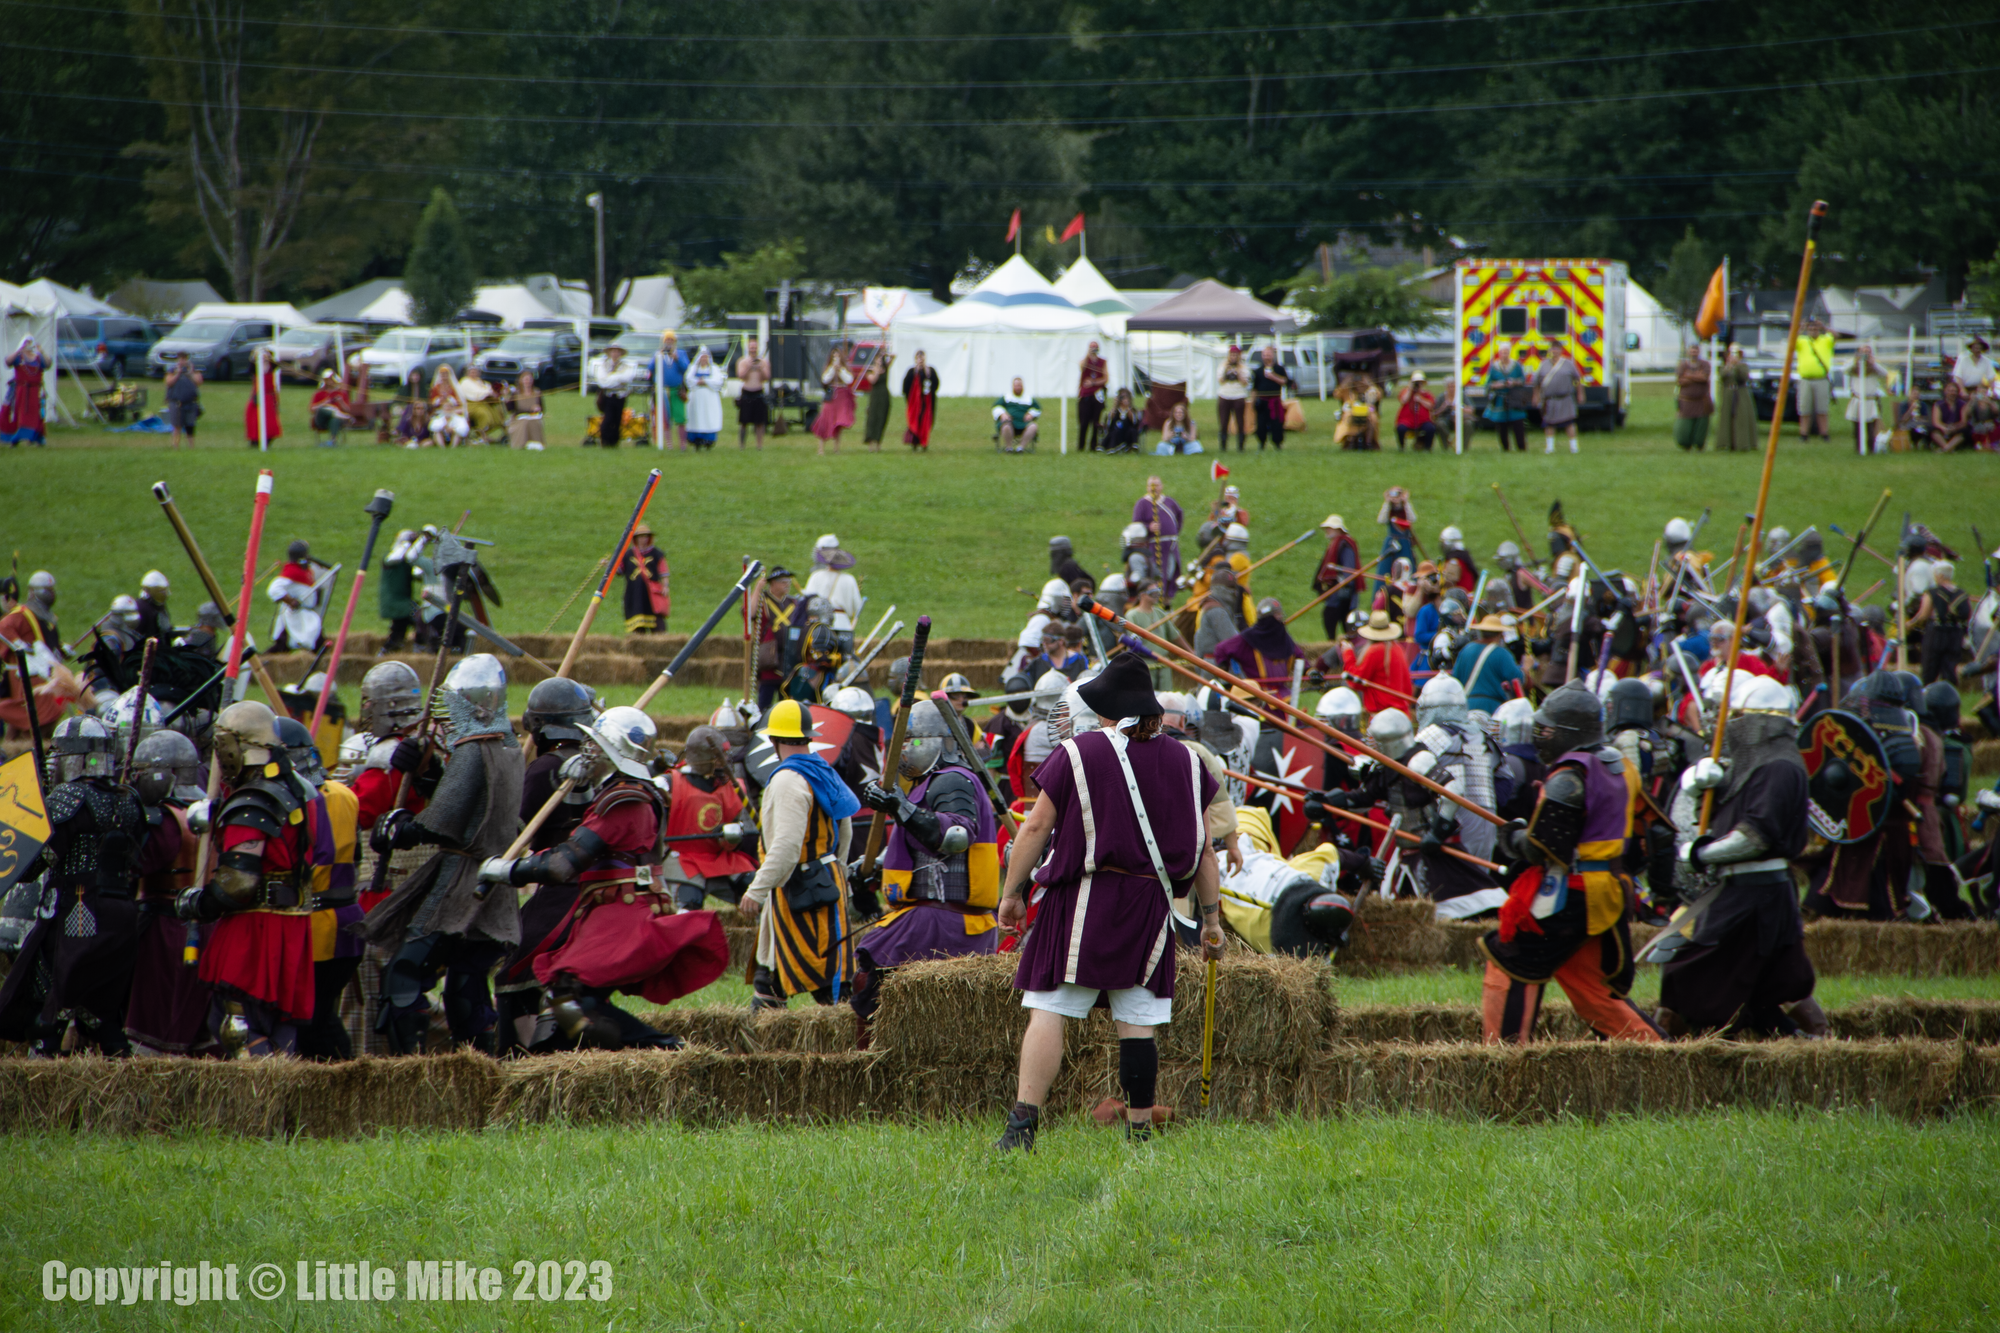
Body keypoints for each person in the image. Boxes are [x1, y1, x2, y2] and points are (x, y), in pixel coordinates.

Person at [995, 652, 1225, 1150]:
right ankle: (1139, 1133)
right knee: (1138, 1022)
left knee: (1049, 1008)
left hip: (1081, 899)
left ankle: (1021, 1129)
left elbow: (1034, 828)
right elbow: (1205, 849)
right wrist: (1211, 920)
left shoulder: (1079, 752)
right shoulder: (1188, 761)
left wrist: (1012, 894)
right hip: (1150, 905)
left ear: (1107, 708)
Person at [480, 708, 726, 1050]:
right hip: (614, 906)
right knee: (568, 1000)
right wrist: (579, 788)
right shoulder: (626, 792)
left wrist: (505, 870)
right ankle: (576, 1050)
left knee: (569, 995)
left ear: (614, 752)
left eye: (596, 745)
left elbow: (563, 864)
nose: (588, 751)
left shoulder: (623, 800)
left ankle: (664, 1047)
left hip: (622, 911)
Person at [1480, 681, 1663, 1043]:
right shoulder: (1621, 765)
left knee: (1509, 959)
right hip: (1609, 891)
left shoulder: (1568, 776)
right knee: (1591, 987)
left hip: (1574, 894)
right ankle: (1657, 1053)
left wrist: (1514, 837)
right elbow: (1649, 829)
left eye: (1548, 729)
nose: (1541, 735)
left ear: (1571, 731)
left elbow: (1544, 848)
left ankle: (1503, 1058)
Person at [361, 654, 523, 1053]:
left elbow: (441, 822)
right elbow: (473, 806)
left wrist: (399, 828)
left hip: (461, 880)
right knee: (466, 986)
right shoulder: (509, 746)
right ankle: (479, 1069)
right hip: (494, 880)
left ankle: (415, 1072)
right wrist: (430, 772)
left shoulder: (472, 750)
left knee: (403, 976)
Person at [1653, 675, 1823, 1037]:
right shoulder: (1754, 765)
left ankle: (1716, 1041)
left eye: (1739, 716)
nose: (1732, 725)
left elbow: (1755, 836)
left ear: (1760, 720)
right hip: (1743, 888)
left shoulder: (1779, 768)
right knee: (1760, 986)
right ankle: (1794, 1041)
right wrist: (1700, 787)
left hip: (1757, 893)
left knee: (1695, 970)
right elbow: (1714, 817)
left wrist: (1701, 854)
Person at [170, 703, 317, 1056]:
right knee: (280, 1032)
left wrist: (199, 903)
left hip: (255, 932)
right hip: (293, 925)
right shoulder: (303, 792)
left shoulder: (252, 803)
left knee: (237, 1028)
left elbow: (237, 884)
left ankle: (263, 1091)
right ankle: (282, 1091)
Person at [850, 700, 1001, 1042]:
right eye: (901, 741)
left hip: (948, 919)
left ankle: (870, 1057)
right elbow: (914, 845)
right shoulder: (927, 782)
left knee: (868, 972)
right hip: (930, 915)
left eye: (910, 740)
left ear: (939, 741)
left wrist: (900, 806)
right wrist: (876, 866)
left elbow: (955, 836)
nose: (903, 749)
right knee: (868, 974)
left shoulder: (952, 780)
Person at [0, 717, 149, 1055]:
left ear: (73, 758)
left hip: (76, 913)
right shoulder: (128, 799)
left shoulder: (69, 797)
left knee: (47, 1010)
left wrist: (33, 816)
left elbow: (32, 866)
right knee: (104, 1020)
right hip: (122, 916)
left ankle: (42, 1077)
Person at [737, 700, 859, 1009]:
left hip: (802, 891)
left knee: (829, 985)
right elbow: (845, 830)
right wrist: (838, 869)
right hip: (825, 882)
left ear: (773, 740)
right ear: (807, 737)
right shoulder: (823, 770)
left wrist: (756, 890)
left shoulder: (787, 779)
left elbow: (787, 847)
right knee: (773, 975)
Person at [275, 716, 365, 1061]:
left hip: (317, 925)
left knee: (313, 1023)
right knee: (320, 1016)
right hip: (347, 918)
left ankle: (345, 1082)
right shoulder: (345, 794)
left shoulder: (296, 799)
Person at [663, 725, 760, 911]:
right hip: (684, 858)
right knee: (689, 907)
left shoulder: (732, 787)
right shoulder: (670, 784)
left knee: (759, 893)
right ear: (702, 758)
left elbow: (736, 829)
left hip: (720, 856)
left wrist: (730, 839)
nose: (723, 762)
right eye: (718, 757)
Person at [1212, 599, 1308, 700]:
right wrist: (1224, 671)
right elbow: (1221, 648)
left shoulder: (1283, 637)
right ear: (1268, 618)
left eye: (1280, 613)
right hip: (1258, 697)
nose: (1280, 617)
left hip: (1285, 696)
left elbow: (1299, 656)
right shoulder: (1247, 638)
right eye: (1277, 614)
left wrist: (1309, 671)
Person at [1907, 561, 1970, 685]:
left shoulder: (1932, 592)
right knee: (1950, 669)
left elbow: (1923, 615)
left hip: (1936, 633)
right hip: (1955, 634)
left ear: (1940, 575)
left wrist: (1910, 624)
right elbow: (1968, 615)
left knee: (1929, 668)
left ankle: (1927, 691)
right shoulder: (1962, 594)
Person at [1452, 614, 1526, 718]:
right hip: (1491, 707)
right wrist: (1526, 668)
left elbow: (1455, 679)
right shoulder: (1502, 653)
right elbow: (1517, 679)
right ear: (1500, 634)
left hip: (1467, 706)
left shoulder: (1466, 649)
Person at [1345, 609, 1411, 715]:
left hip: (1382, 714)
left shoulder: (1375, 651)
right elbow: (1407, 686)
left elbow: (1356, 681)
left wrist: (1348, 654)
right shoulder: (1398, 648)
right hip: (1402, 712)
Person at [803, 535, 861, 650]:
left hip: (820, 625)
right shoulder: (849, 579)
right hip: (843, 624)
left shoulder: (816, 576)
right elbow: (857, 607)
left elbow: (807, 603)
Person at [377, 529, 430, 651]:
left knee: (398, 633)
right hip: (398, 603)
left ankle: (386, 652)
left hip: (403, 602)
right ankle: (420, 646)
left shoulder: (407, 562)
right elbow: (395, 558)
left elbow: (418, 574)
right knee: (422, 618)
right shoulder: (390, 558)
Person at [268, 539, 325, 653]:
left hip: (304, 614)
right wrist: (290, 601)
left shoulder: (302, 569)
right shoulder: (292, 571)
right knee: (283, 646)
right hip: (296, 614)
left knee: (285, 646)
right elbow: (274, 589)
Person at [1311, 514, 1361, 640]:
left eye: (1330, 528)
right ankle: (1332, 643)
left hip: (1344, 594)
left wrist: (1343, 584)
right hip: (1337, 593)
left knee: (1339, 620)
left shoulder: (1345, 545)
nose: (1327, 530)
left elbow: (1348, 571)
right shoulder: (1335, 544)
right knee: (1329, 618)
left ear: (1338, 529)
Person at [1132, 475, 1184, 593]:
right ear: (1147, 487)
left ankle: (1167, 599)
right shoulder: (1142, 504)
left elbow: (1179, 514)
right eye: (1151, 485)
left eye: (1156, 485)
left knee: (1171, 572)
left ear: (1161, 486)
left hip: (1171, 544)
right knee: (1159, 574)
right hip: (1154, 545)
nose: (1154, 488)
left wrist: (1175, 530)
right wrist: (1148, 527)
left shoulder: (1169, 501)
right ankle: (1157, 596)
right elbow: (1136, 526)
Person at [1, 336, 50, 446]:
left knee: (35, 416)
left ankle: (35, 438)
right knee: (17, 415)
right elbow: (8, 362)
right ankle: (13, 437)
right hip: (20, 391)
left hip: (34, 392)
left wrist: (42, 351)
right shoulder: (19, 357)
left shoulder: (39, 358)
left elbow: (48, 364)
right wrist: (19, 349)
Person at [622, 523, 670, 634]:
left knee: (658, 625)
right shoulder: (628, 554)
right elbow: (619, 569)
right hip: (634, 594)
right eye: (641, 536)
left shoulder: (656, 554)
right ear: (636, 538)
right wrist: (607, 564)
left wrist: (665, 586)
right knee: (638, 628)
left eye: (646, 536)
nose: (644, 539)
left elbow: (664, 572)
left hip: (651, 594)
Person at [591, 344, 641, 449]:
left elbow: (627, 378)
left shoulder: (625, 366)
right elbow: (602, 382)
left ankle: (614, 442)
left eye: (617, 351)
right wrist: (617, 379)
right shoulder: (604, 365)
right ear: (609, 353)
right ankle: (605, 441)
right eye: (613, 351)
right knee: (608, 419)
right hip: (608, 396)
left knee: (617, 419)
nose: (615, 354)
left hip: (620, 396)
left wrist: (612, 378)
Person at [1794, 317, 1835, 441]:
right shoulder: (1802, 341)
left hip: (1821, 379)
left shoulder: (1826, 340)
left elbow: (1836, 335)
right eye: (1810, 329)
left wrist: (1824, 326)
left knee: (1822, 409)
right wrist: (1800, 328)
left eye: (1815, 329)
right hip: (1805, 379)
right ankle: (1804, 434)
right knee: (1804, 409)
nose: (1813, 331)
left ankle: (1824, 433)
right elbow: (1791, 340)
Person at [812, 342, 857, 455]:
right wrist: (833, 368)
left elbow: (849, 380)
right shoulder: (828, 367)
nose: (835, 357)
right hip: (831, 395)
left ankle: (836, 448)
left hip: (842, 396)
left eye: (837, 355)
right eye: (833, 355)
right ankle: (820, 449)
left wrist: (840, 369)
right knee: (825, 420)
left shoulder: (845, 367)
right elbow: (825, 380)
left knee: (839, 422)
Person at [1535, 345, 1580, 454]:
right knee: (1549, 424)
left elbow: (1577, 379)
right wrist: (1536, 396)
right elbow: (1536, 382)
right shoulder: (1543, 365)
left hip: (1565, 398)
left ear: (1560, 351)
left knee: (1569, 423)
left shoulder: (1568, 364)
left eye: (1556, 349)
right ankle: (1550, 447)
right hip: (1549, 400)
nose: (1554, 351)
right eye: (1552, 349)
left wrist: (1580, 394)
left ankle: (1574, 447)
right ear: (1549, 351)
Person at [1482, 346, 1527, 452]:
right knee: (1501, 424)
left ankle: (1521, 448)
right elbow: (1488, 384)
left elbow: (1523, 381)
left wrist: (1514, 382)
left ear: (1509, 353)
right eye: (1503, 353)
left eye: (1506, 353)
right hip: (1500, 399)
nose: (1505, 355)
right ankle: (1505, 448)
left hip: (1514, 398)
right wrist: (1497, 385)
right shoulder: (1494, 367)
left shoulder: (1516, 365)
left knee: (1518, 423)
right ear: (1499, 353)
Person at [1715, 343, 1759, 452]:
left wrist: (1737, 366)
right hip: (1728, 393)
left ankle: (1743, 443)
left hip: (1741, 393)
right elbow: (1722, 376)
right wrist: (1729, 367)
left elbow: (1743, 377)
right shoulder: (1724, 367)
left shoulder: (1743, 366)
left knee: (1741, 417)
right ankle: (1725, 443)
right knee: (1726, 418)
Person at [1845, 344, 1887, 455]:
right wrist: (1856, 361)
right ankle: (1858, 448)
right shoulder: (1854, 367)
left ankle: (1871, 448)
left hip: (1870, 400)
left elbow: (1885, 373)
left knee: (1870, 427)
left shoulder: (1874, 368)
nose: (1865, 355)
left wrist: (1873, 363)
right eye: (1863, 352)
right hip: (1858, 400)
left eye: (1867, 352)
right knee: (1857, 427)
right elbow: (1844, 369)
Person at [684, 345, 726, 450]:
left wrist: (705, 381)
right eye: (702, 357)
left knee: (709, 417)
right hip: (696, 398)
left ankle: (708, 441)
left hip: (709, 399)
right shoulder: (693, 368)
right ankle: (696, 441)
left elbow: (718, 381)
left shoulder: (714, 368)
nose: (704, 359)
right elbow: (688, 379)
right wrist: (697, 382)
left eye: (705, 357)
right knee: (696, 417)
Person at [655, 331, 691, 449]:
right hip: (663, 390)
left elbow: (686, 368)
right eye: (667, 340)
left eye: (671, 340)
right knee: (665, 418)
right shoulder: (659, 354)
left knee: (680, 417)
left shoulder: (680, 353)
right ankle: (669, 445)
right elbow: (651, 368)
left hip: (677, 390)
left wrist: (677, 359)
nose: (669, 342)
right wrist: (658, 356)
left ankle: (682, 444)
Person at [1674, 343, 1712, 452]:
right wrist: (1696, 376)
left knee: (1701, 425)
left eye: (1695, 351)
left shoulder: (1705, 365)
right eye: (1691, 351)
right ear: (1688, 352)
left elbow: (1704, 378)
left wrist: (1689, 375)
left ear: (1699, 352)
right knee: (1685, 425)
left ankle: (1699, 445)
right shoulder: (1682, 365)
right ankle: (1686, 445)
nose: (1693, 354)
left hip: (1701, 401)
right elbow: (1680, 381)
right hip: (1686, 401)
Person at [1251, 344, 1290, 449]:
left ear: (1273, 356)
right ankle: (1261, 443)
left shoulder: (1279, 369)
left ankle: (1277, 443)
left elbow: (1285, 382)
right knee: (1261, 424)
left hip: (1275, 401)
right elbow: (1254, 388)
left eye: (1268, 355)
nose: (1266, 357)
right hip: (1262, 401)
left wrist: (1273, 377)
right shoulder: (1258, 371)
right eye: (1264, 355)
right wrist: (1253, 402)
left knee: (1276, 423)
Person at [736, 336, 772, 449]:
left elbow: (767, 377)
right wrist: (749, 367)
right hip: (746, 393)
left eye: (755, 347)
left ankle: (759, 445)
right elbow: (741, 376)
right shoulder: (742, 361)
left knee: (760, 422)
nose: (753, 350)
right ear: (748, 348)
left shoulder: (763, 362)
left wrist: (760, 368)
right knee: (744, 422)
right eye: (751, 347)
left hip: (758, 392)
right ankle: (742, 445)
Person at [243, 348, 282, 448]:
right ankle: (255, 441)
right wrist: (255, 357)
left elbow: (277, 365)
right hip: (258, 396)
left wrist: (269, 358)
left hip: (269, 396)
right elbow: (250, 369)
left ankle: (267, 440)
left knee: (270, 422)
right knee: (254, 420)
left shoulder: (271, 367)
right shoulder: (256, 367)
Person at [901, 350, 940, 451]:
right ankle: (914, 442)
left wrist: (928, 374)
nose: (920, 360)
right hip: (915, 403)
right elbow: (906, 387)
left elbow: (936, 384)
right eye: (918, 358)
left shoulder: (930, 371)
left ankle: (924, 442)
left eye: (922, 358)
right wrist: (915, 373)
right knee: (915, 421)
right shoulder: (911, 371)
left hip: (927, 402)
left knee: (925, 421)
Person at [163, 352, 202, 449]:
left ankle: (191, 446)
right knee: (177, 426)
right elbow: (168, 382)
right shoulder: (172, 370)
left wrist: (190, 373)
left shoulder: (193, 370)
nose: (182, 361)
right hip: (177, 403)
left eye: (184, 359)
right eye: (180, 359)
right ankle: (175, 446)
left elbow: (199, 381)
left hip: (190, 402)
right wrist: (177, 373)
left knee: (190, 426)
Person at [860, 349, 896, 452]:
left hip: (884, 395)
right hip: (875, 396)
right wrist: (877, 369)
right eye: (878, 358)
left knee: (882, 418)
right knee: (873, 418)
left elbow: (894, 356)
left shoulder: (885, 367)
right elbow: (873, 380)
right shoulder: (871, 370)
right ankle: (871, 444)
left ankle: (878, 443)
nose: (880, 360)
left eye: (881, 358)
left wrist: (886, 353)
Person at [1216, 345, 1251, 451]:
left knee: (1240, 421)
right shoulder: (1223, 365)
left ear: (1239, 356)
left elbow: (1245, 383)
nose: (1233, 357)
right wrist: (1227, 371)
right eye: (1231, 355)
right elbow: (1220, 380)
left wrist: (1238, 372)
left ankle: (1240, 446)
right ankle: (1223, 445)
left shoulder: (1244, 367)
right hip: (1224, 395)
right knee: (1223, 422)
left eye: (1235, 355)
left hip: (1238, 396)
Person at [994, 377, 1041, 452]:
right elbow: (996, 407)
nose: (1018, 388)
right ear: (1013, 386)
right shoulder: (1006, 397)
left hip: (1024, 423)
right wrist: (1002, 414)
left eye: (1020, 386)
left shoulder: (1028, 398)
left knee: (1033, 426)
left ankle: (1021, 448)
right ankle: (1009, 448)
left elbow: (1037, 409)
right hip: (1010, 422)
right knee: (1006, 426)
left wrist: (1031, 414)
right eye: (1016, 386)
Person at [427, 364, 469, 447]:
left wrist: (449, 398)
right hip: (439, 411)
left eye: (446, 374)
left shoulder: (454, 387)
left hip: (452, 410)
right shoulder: (436, 388)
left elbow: (459, 402)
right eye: (442, 374)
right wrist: (439, 400)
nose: (444, 376)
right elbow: (431, 402)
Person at [1077, 341, 1109, 452]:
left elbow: (1105, 378)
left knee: (1096, 421)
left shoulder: (1103, 362)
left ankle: (1093, 445)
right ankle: (1081, 446)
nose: (1094, 349)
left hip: (1097, 395)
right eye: (1092, 347)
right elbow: (1082, 367)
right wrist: (1088, 354)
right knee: (1084, 421)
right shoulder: (1085, 360)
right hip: (1085, 395)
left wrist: (1093, 383)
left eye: (1095, 347)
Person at [310, 368, 353, 448]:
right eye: (329, 379)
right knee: (323, 409)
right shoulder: (319, 393)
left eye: (332, 379)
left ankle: (332, 441)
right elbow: (312, 409)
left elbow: (348, 409)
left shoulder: (341, 393)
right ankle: (339, 414)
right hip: (321, 420)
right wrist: (323, 403)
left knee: (335, 418)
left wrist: (341, 402)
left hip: (335, 420)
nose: (331, 381)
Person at [1394, 372, 1437, 450]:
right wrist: (1410, 389)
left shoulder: (1426, 394)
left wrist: (1420, 399)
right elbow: (1403, 400)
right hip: (1407, 420)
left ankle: (1427, 448)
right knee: (1401, 428)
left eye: (1420, 383)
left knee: (1430, 428)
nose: (1418, 385)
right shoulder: (1406, 392)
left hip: (1422, 421)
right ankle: (1402, 447)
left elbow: (1431, 405)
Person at [504, 371, 544, 450]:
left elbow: (542, 409)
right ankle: (520, 444)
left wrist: (538, 408)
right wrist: (506, 397)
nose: (528, 382)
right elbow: (510, 409)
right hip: (518, 418)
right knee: (524, 421)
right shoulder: (516, 393)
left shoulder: (537, 393)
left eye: (530, 379)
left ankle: (535, 443)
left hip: (533, 417)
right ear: (521, 381)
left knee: (534, 422)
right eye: (526, 379)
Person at [1931, 378, 1969, 452]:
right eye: (1950, 391)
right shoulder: (1938, 404)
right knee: (1933, 430)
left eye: (1954, 391)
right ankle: (1949, 448)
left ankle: (1945, 449)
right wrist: (1944, 428)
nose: (1952, 393)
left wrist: (1954, 427)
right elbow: (1936, 422)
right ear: (1945, 392)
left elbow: (1963, 422)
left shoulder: (1962, 404)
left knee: (1965, 431)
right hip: (1944, 428)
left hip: (1956, 428)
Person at [1101, 387, 1143, 453]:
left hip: (1127, 431)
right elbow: (1110, 420)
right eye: (1122, 397)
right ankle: (1112, 447)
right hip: (1117, 431)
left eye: (1126, 397)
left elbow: (1134, 422)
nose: (1124, 399)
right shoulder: (1116, 410)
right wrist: (1115, 405)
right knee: (1114, 432)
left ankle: (1133, 445)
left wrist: (1128, 407)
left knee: (1132, 430)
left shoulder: (1132, 409)